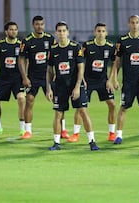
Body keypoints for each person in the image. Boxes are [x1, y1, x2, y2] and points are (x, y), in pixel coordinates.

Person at [46, 21, 99, 151]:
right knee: (58, 114)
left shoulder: (76, 47)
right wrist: (48, 87)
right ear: (56, 33)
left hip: (76, 85)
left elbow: (81, 68)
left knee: (83, 111)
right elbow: (49, 70)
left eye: (64, 31)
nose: (62, 33)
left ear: (68, 32)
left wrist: (77, 87)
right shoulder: (53, 50)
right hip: (60, 86)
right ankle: (56, 143)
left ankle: (92, 141)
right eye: (59, 31)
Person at [109, 15, 139, 144]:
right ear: (128, 24)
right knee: (123, 107)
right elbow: (117, 61)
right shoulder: (122, 41)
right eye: (132, 23)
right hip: (129, 82)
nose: (134, 25)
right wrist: (114, 78)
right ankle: (119, 136)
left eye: (137, 23)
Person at [67, 23, 116, 143]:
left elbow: (115, 63)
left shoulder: (110, 46)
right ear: (95, 32)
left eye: (103, 31)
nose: (100, 33)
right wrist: (82, 79)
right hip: (87, 80)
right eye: (98, 31)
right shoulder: (87, 46)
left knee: (112, 104)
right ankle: (76, 134)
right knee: (80, 107)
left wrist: (111, 80)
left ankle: (112, 133)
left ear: (106, 33)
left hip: (103, 81)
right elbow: (79, 62)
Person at [18, 16, 65, 139]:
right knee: (29, 101)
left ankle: (63, 130)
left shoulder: (50, 39)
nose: (40, 26)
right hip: (33, 77)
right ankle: (28, 131)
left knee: (58, 102)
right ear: (33, 25)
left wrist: (56, 74)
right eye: (37, 24)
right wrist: (24, 77)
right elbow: (21, 60)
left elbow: (57, 56)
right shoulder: (27, 41)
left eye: (42, 24)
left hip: (48, 76)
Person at [0, 21, 25, 137]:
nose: (13, 31)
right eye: (11, 29)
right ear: (6, 31)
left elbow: (25, 61)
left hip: (17, 78)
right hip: (3, 78)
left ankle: (23, 129)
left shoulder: (21, 45)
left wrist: (26, 77)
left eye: (15, 29)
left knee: (21, 99)